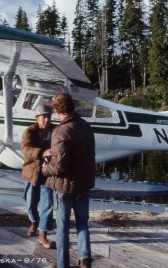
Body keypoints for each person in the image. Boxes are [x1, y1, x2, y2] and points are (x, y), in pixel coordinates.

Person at [42, 93, 96, 268]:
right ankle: (85, 259)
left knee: (63, 229)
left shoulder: (60, 131)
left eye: (54, 110)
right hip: (84, 184)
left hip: (64, 187)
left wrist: (44, 169)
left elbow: (59, 166)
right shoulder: (86, 126)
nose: (54, 113)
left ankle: (62, 263)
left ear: (58, 110)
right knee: (82, 224)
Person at [21, 104, 55, 249]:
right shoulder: (29, 131)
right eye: (43, 117)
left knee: (47, 205)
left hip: (49, 173)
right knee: (30, 203)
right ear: (37, 118)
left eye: (48, 117)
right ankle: (34, 221)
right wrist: (42, 153)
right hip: (32, 173)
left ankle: (43, 234)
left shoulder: (56, 131)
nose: (46, 120)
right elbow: (26, 150)